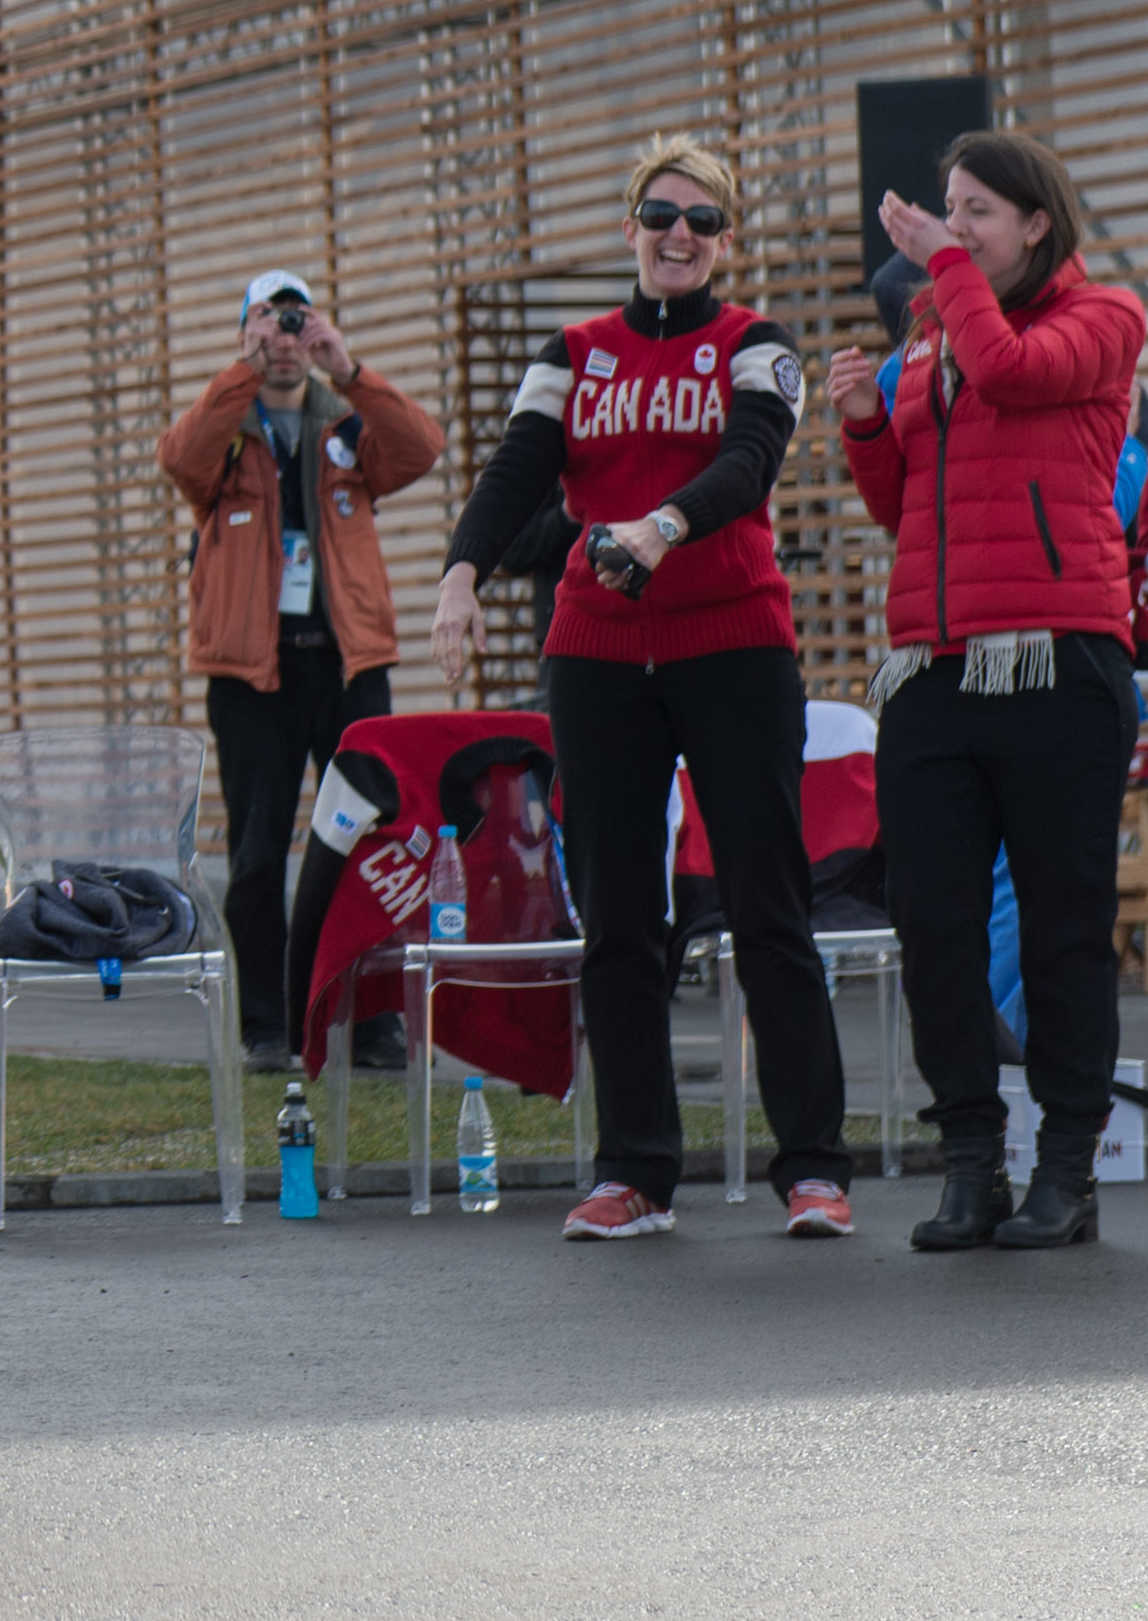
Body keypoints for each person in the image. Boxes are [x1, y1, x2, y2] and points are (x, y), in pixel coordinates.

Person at [432, 134, 854, 1244]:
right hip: (600, 654)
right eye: (662, 216)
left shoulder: (754, 343)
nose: (681, 235)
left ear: (726, 243)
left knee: (769, 906)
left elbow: (750, 461)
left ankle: (813, 1166)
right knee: (620, 915)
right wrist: (460, 578)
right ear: (630, 230)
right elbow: (517, 470)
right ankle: (635, 1174)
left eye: (703, 222)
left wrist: (664, 526)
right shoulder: (573, 351)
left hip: (734, 645)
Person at [830, 131, 1148, 1250]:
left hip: (1059, 662)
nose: (950, 228)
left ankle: (1067, 1170)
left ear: (1036, 226)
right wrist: (867, 426)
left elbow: (1014, 371)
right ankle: (971, 1160)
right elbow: (901, 505)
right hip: (933, 668)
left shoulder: (1101, 319)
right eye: (946, 211)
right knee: (936, 929)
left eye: (975, 212)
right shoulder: (930, 340)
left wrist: (943, 273)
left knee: (1062, 932)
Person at [158, 268, 442, 1070]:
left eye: (295, 322)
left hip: (350, 668)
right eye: (267, 323)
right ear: (245, 332)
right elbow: (180, 459)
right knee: (257, 851)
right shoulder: (230, 432)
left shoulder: (345, 428)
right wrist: (244, 368)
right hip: (253, 676)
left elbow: (421, 448)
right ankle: (268, 1025)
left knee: (372, 842)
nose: (285, 338)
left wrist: (346, 367)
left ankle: (375, 1020)